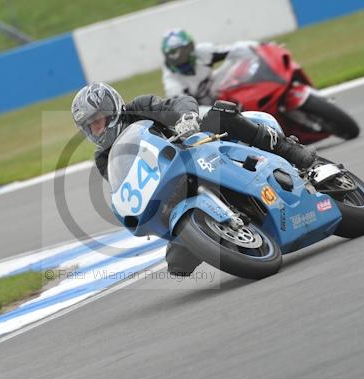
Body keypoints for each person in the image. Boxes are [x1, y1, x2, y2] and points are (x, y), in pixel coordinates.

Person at [71, 82, 315, 276]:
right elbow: (126, 185)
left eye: (98, 121)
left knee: (222, 112)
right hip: (173, 190)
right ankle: (233, 234)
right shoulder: (105, 158)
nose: (97, 130)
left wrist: (185, 118)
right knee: (177, 264)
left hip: (200, 148)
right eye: (90, 127)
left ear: (111, 110)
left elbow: (179, 102)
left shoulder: (140, 106)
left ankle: (289, 151)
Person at [161, 28, 252, 105]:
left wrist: (261, 47)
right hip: (203, 114)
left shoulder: (203, 50)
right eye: (174, 54)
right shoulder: (172, 85)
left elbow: (235, 49)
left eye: (184, 50)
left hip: (215, 89)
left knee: (235, 60)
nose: (180, 57)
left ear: (191, 47)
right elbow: (187, 112)